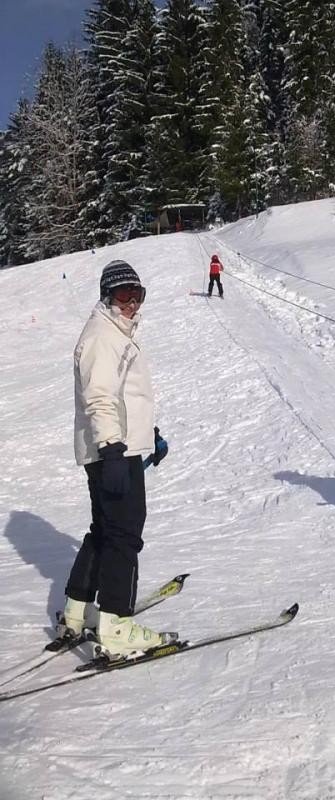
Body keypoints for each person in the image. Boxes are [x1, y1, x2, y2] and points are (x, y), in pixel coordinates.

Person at [57, 260, 173, 657]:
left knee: (106, 529)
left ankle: (76, 611)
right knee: (124, 534)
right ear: (107, 295)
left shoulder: (116, 333)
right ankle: (116, 625)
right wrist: (112, 449)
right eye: (124, 294)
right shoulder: (102, 336)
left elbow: (125, 397)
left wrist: (147, 436)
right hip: (112, 450)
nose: (132, 303)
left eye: (137, 294)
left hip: (119, 446)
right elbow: (100, 397)